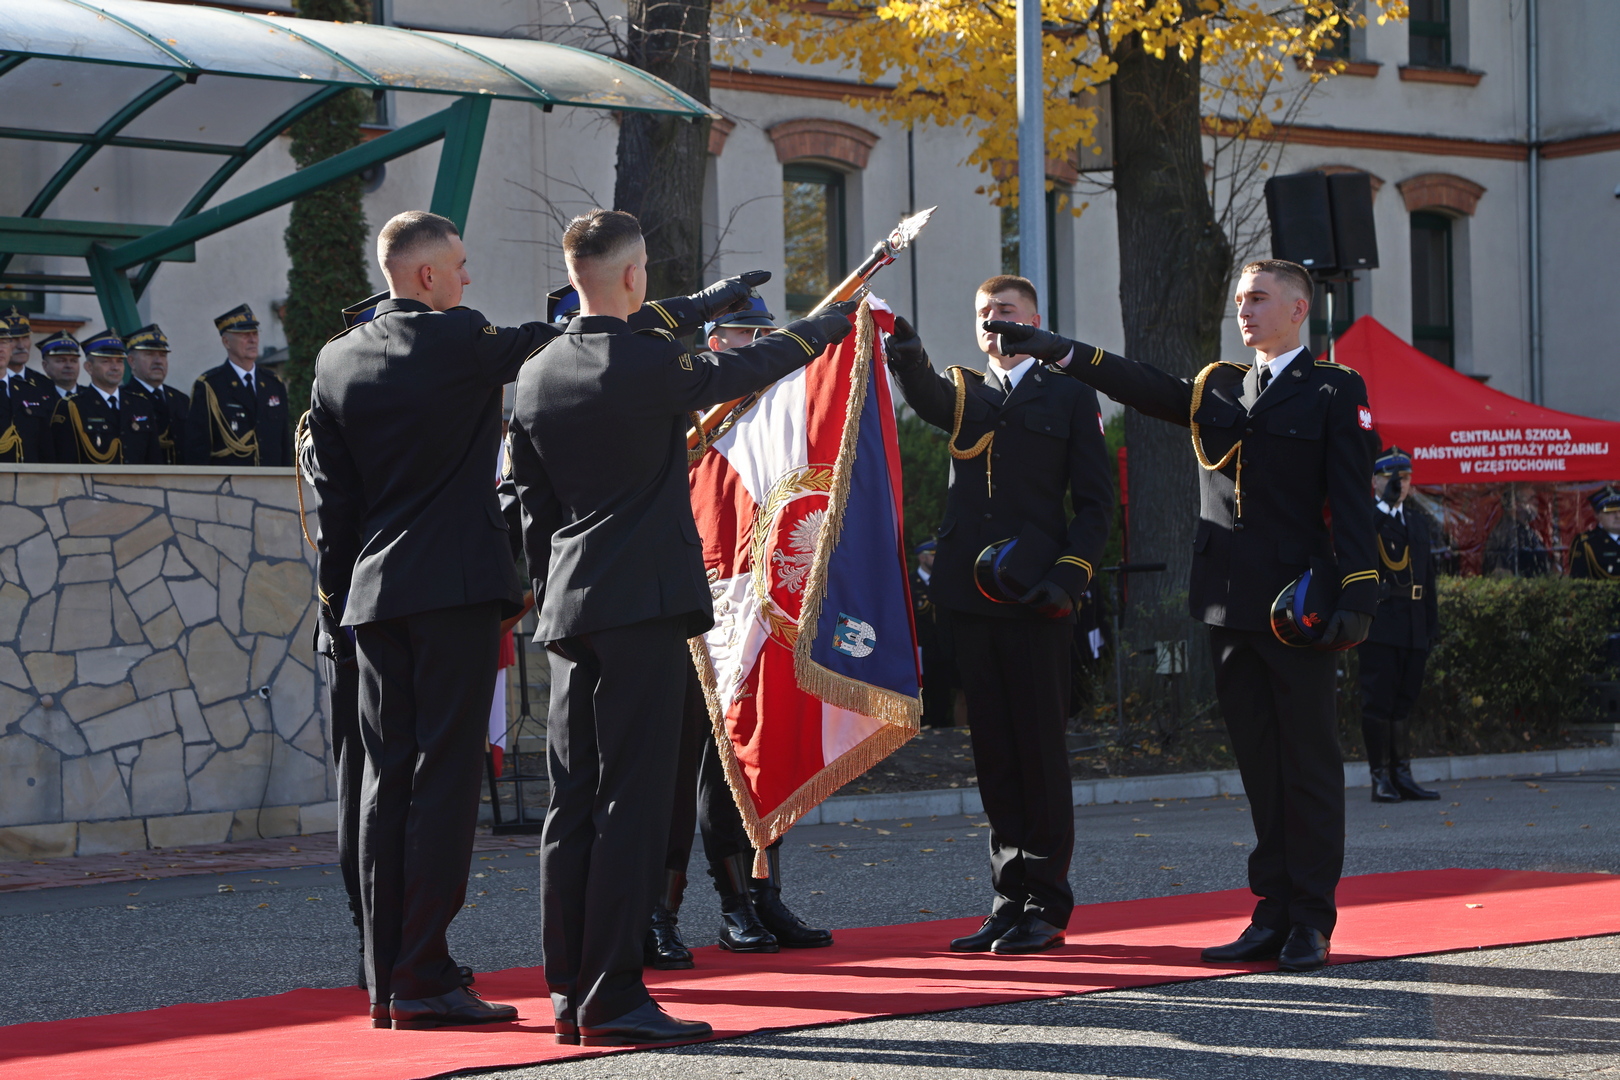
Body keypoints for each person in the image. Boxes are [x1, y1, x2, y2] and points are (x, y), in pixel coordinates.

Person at [507, 208, 854, 1046]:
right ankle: (615, 994)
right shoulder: (649, 363)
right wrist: (825, 329)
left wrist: (709, 301)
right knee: (632, 801)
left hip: (572, 608)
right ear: (634, 275)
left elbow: (531, 506)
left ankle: (568, 990)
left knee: (575, 804)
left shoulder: (538, 371)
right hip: (643, 608)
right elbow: (755, 365)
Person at [987, 259, 1378, 973]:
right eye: (1239, 300)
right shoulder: (1220, 385)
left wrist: (1356, 596)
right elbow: (1148, 387)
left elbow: (1353, 504)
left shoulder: (1332, 389)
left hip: (1297, 610)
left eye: (1259, 299)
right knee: (1262, 768)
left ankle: (1310, 920)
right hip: (1230, 604)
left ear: (1299, 309)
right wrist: (1057, 348)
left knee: (1309, 769)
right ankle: (1271, 912)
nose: (1245, 311)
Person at [884, 274, 1112, 957]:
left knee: (1038, 751)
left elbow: (1097, 504)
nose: (995, 323)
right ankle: (1007, 898)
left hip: (1036, 597)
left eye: (1007, 312)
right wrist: (902, 344)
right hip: (967, 598)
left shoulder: (1069, 395)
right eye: (985, 314)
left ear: (1036, 320)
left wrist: (1069, 579)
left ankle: (1046, 901)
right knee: (993, 755)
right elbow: (923, 394)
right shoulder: (964, 393)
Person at [646, 296, 836, 974]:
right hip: (683, 598)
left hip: (751, 601)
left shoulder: (773, 417)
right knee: (674, 769)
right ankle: (659, 911)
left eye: (761, 336)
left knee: (756, 750)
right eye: (736, 336)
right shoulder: (678, 403)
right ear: (708, 343)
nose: (748, 348)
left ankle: (751, 899)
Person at [1358, 447, 1441, 803]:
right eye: (1392, 479)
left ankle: (1402, 774)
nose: (1400, 485)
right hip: (1382, 624)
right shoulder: (1367, 518)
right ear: (1375, 481)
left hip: (1413, 624)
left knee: (1404, 702)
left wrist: (1431, 626)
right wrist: (1384, 508)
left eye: (1405, 478)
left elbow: (1429, 577)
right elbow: (1358, 546)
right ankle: (1380, 778)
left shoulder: (1418, 521)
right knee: (1379, 702)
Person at [185, 304, 291, 467]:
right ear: (226, 341)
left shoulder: (273, 383)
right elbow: (198, 449)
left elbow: (284, 443)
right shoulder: (210, 386)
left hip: (271, 482)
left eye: (255, 333)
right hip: (230, 485)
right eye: (244, 334)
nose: (252, 340)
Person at [49, 330, 165, 465]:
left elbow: (154, 459)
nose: (115, 367)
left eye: (119, 361)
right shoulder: (72, 406)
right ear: (89, 367)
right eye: (106, 361)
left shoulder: (141, 405)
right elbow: (64, 459)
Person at [1568, 485, 1620, 669]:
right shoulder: (1587, 543)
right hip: (1604, 618)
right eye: (1610, 512)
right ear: (1597, 516)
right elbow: (1578, 583)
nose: (1617, 516)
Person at [126, 324, 191, 465]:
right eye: (149, 354)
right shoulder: (124, 398)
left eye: (162, 355)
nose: (158, 361)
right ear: (131, 361)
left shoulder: (181, 399)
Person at [912, 538, 958, 727]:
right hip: (920, 646)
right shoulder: (910, 582)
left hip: (944, 645)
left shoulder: (945, 582)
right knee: (922, 688)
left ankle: (940, 722)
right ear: (922, 558)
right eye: (933, 555)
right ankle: (920, 723)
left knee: (943, 687)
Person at [0, 309, 56, 462]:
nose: (20, 345)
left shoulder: (40, 385)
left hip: (30, 477)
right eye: (13, 339)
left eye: (25, 338)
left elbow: (47, 443)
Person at [38, 330, 82, 398]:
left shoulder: (92, 398)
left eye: (73, 361)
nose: (69, 366)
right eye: (61, 361)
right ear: (45, 366)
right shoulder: (36, 396)